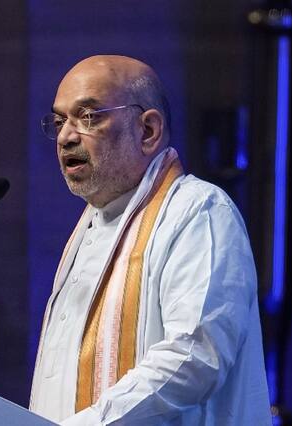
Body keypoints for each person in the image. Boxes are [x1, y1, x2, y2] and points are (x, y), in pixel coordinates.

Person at [29, 55, 271, 426]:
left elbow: (195, 354)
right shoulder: (89, 228)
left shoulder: (198, 210)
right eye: (60, 121)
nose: (65, 137)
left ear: (148, 131)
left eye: (88, 117)